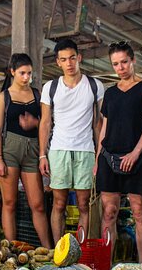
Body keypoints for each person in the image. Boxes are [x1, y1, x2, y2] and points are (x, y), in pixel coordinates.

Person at [96, 41, 142, 264]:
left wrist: (134, 153)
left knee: (139, 212)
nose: (120, 67)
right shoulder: (111, 93)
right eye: (115, 64)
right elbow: (104, 126)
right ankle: (107, 267)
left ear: (133, 60)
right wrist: (98, 159)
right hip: (109, 156)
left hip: (138, 157)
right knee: (109, 212)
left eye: (124, 62)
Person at [39, 39, 104, 243]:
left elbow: (99, 123)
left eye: (72, 58)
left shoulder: (94, 85)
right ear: (58, 62)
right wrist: (42, 154)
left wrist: (99, 155)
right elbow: (45, 123)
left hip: (85, 150)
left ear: (79, 58)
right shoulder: (51, 87)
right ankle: (59, 249)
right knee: (59, 203)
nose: (69, 63)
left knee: (84, 204)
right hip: (58, 150)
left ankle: (81, 249)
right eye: (64, 59)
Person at [0, 54, 51, 246]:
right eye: (22, 73)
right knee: (9, 204)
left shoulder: (37, 94)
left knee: (38, 204)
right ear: (12, 72)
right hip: (9, 150)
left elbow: (46, 122)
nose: (26, 77)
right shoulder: (4, 97)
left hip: (32, 150)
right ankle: (12, 250)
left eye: (29, 73)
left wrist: (34, 123)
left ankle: (48, 249)